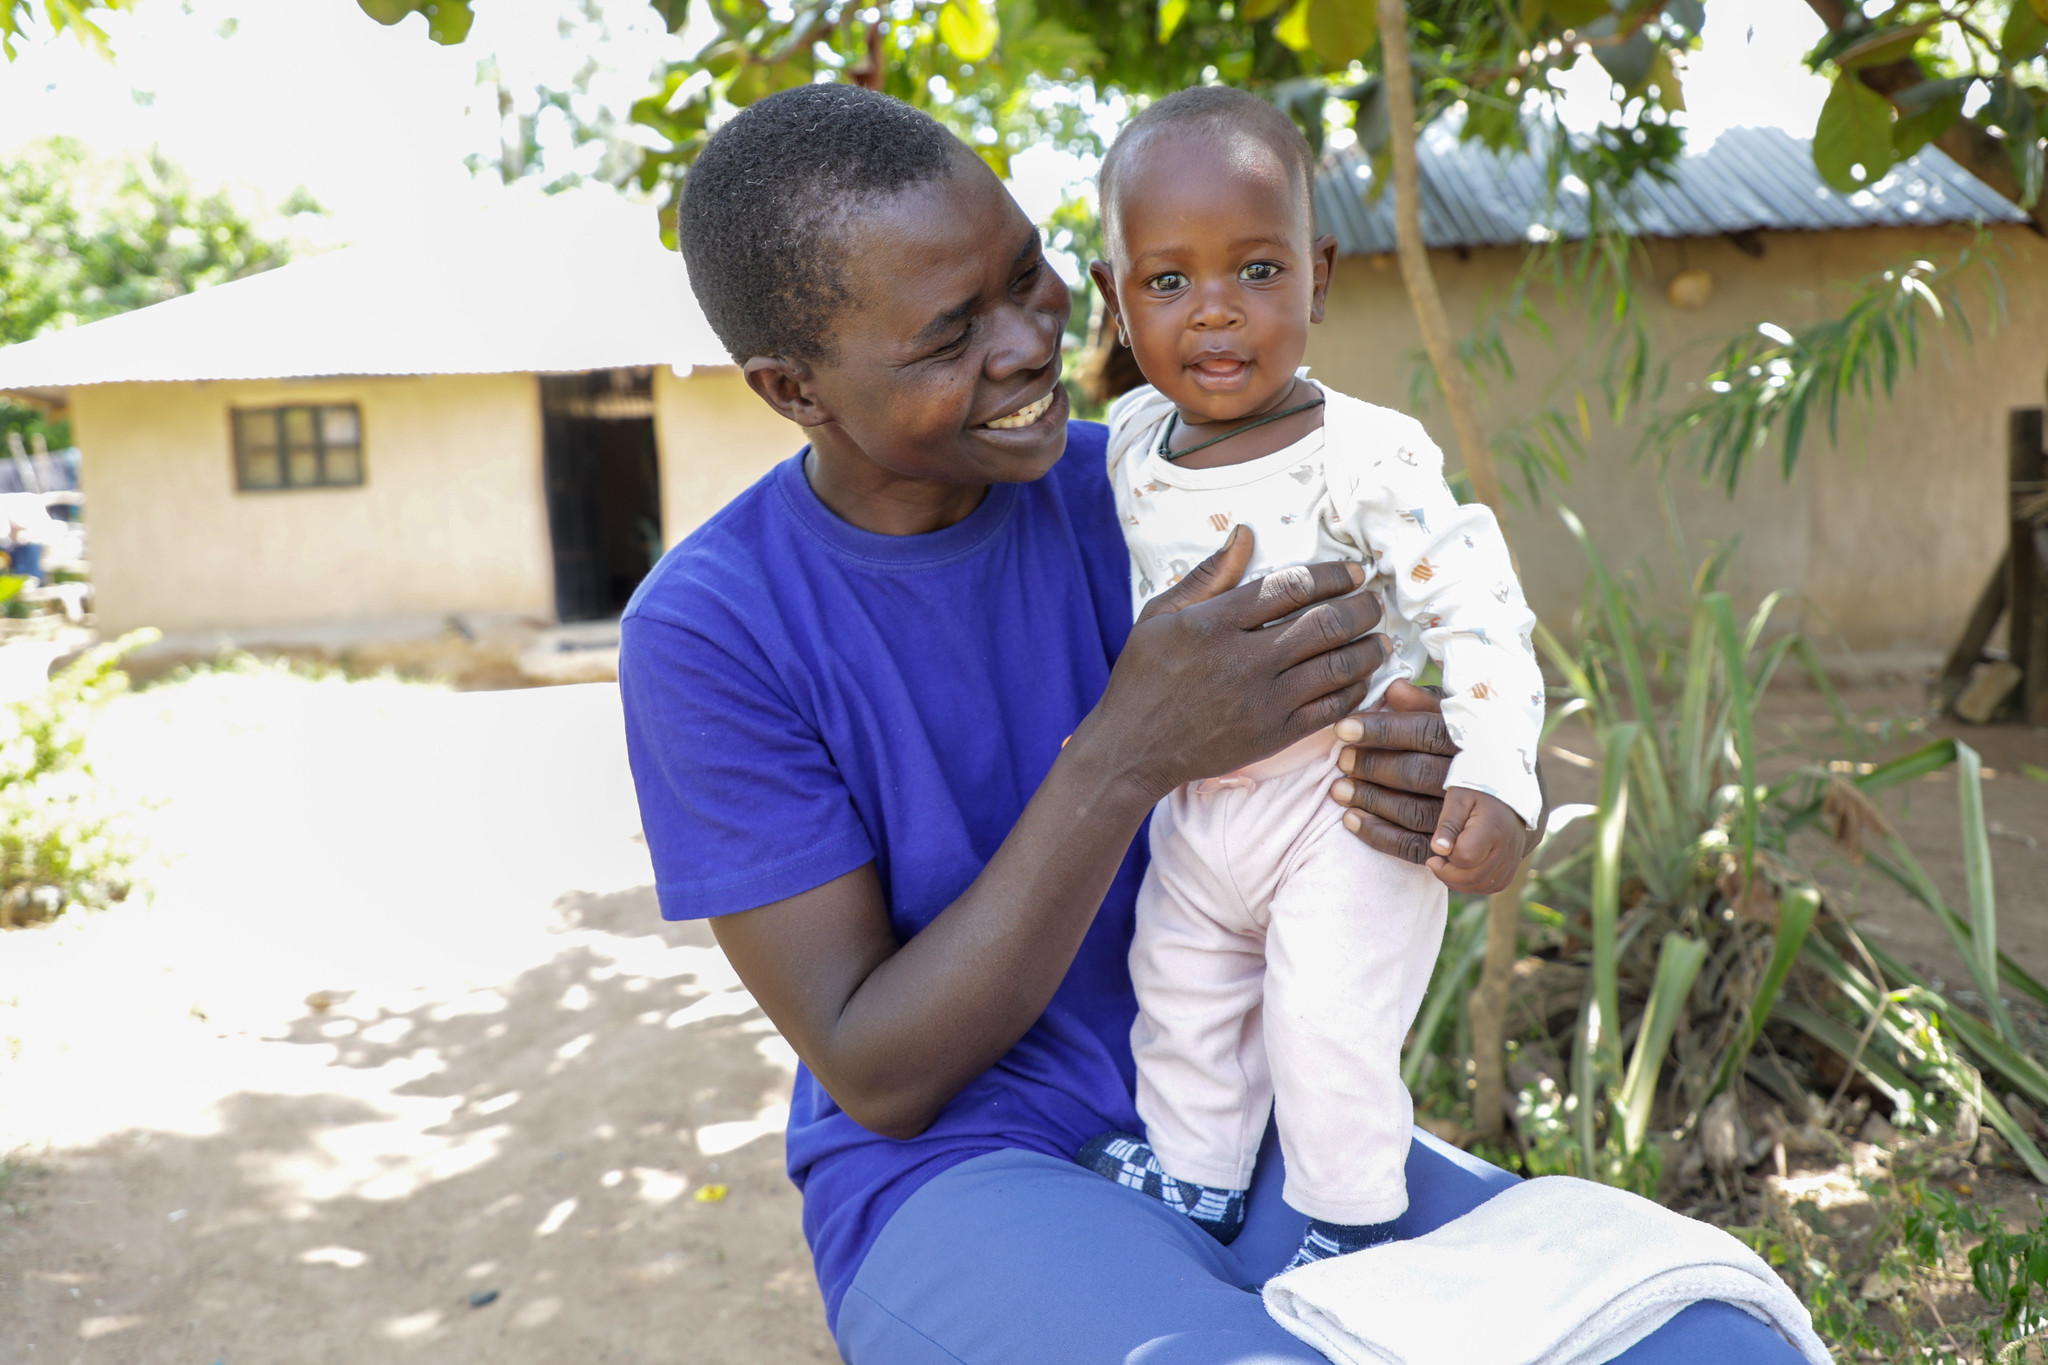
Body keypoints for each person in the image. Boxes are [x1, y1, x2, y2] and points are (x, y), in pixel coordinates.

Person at [620, 81, 1807, 1364]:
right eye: (946, 334)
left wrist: (1421, 772)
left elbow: (1400, 691)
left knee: (1706, 1342)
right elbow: (877, 1069)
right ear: (793, 388)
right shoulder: (712, 630)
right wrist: (1125, 754)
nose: (1024, 344)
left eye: (1028, 278)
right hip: (961, 1168)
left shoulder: (1166, 487)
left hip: (1246, 1111)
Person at [1073, 87, 1545, 1272]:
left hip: (1338, 804)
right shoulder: (1130, 438)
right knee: (1180, 991)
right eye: (1167, 282)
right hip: (1196, 800)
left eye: (1258, 271)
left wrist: (1494, 777)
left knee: (1325, 1025)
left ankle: (1349, 1225)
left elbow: (1476, 611)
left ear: (1319, 276)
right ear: (1113, 301)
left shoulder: (1364, 453)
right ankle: (1196, 1179)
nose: (1215, 312)